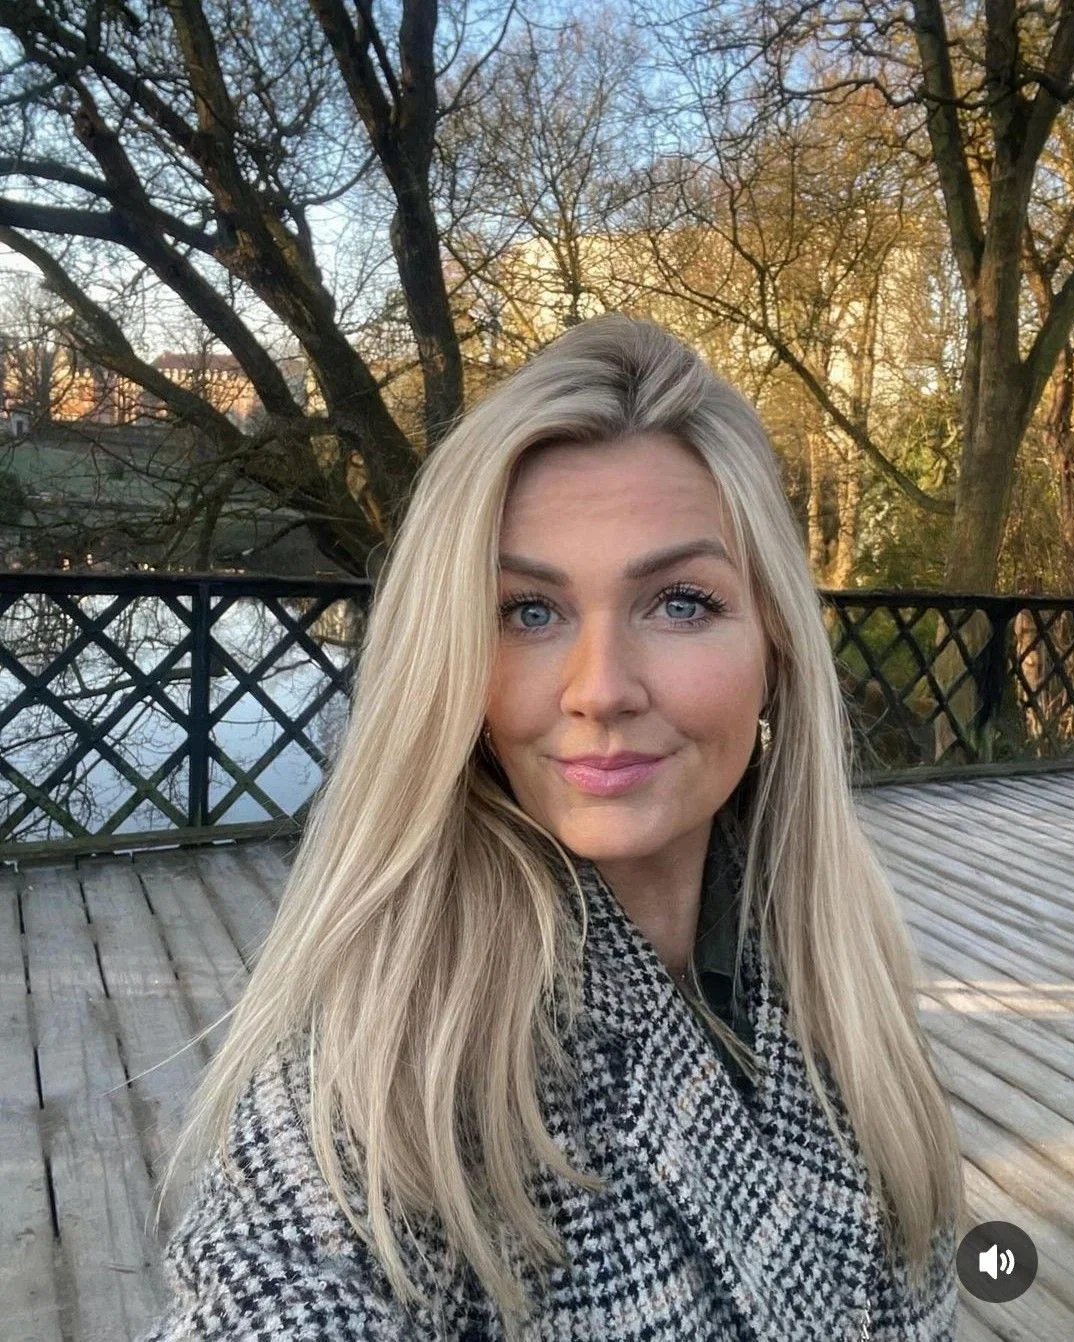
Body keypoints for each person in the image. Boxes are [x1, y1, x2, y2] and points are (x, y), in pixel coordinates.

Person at [137, 314, 969, 1341]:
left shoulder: (839, 974)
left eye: (680, 603)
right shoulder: (384, 1078)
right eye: (529, 611)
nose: (600, 689)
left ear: (776, 642)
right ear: (452, 660)